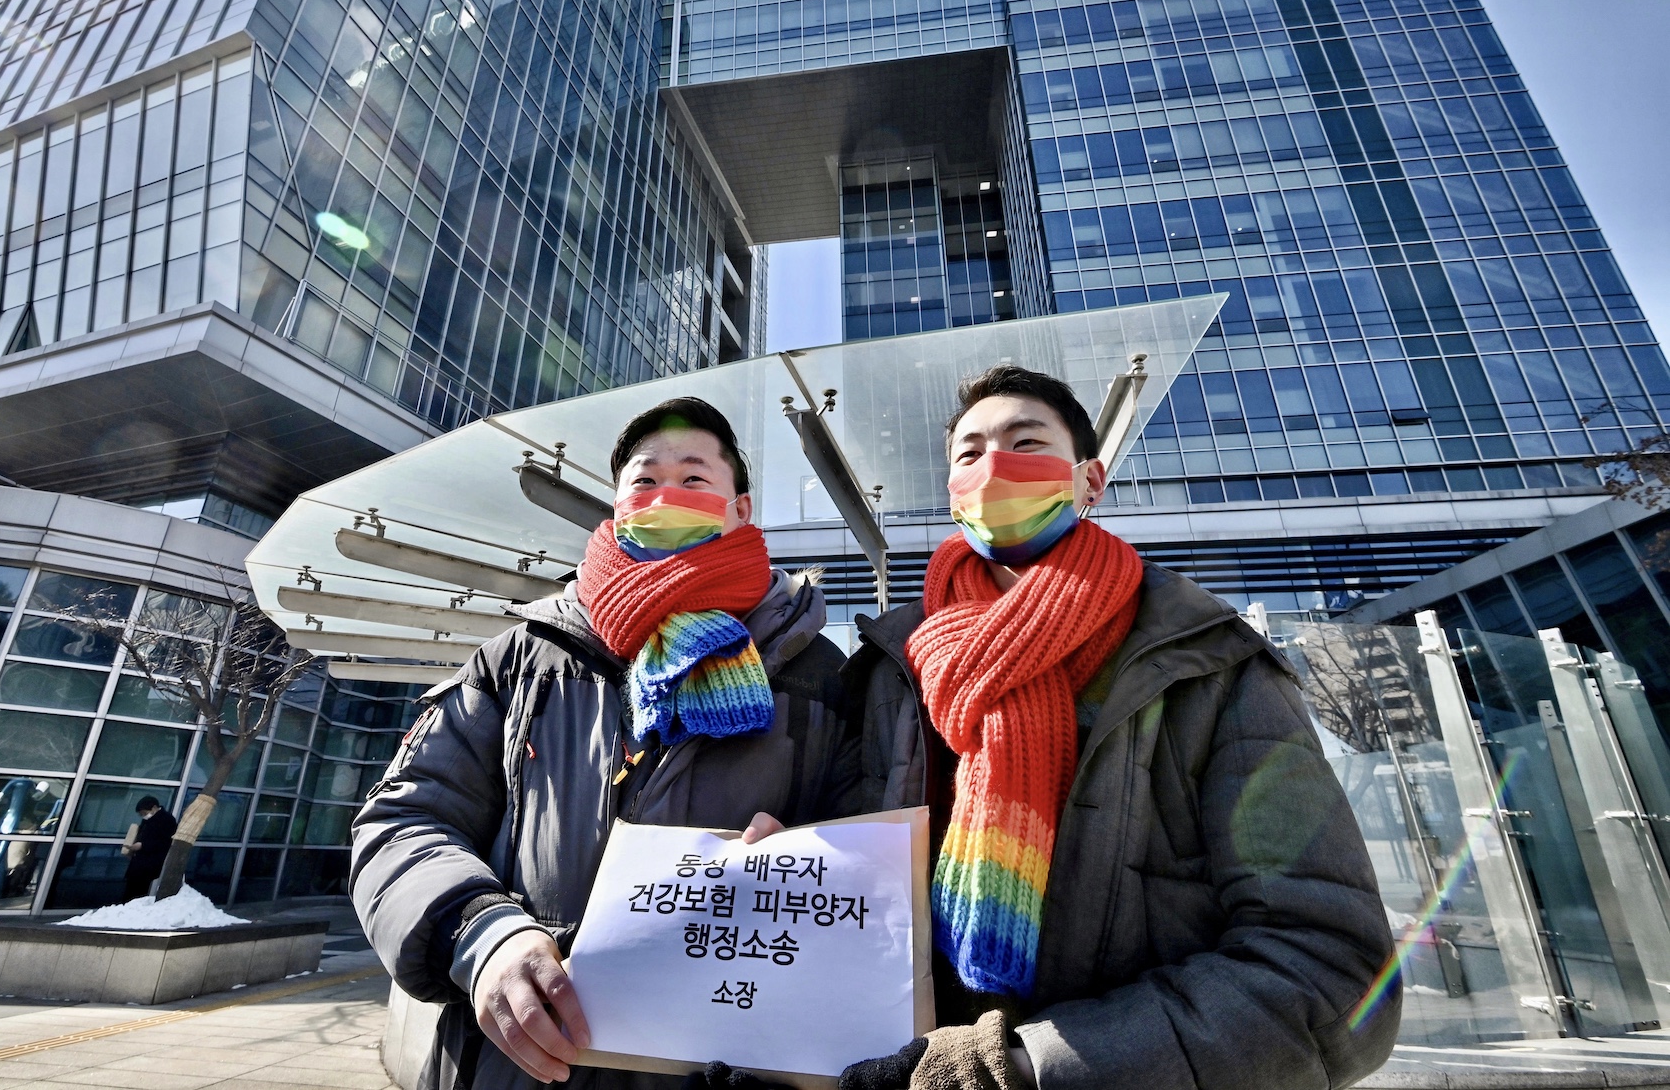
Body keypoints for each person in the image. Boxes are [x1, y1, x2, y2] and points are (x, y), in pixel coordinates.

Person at [837, 366, 1398, 1090]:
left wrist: (1027, 1070)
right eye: (970, 454)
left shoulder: (1207, 661)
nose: (994, 469)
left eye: (1026, 444)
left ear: (1089, 481)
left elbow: (1331, 970)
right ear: (952, 493)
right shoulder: (892, 665)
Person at [352, 397, 857, 1090]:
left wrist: (811, 859)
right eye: (644, 481)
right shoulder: (521, 656)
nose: (665, 496)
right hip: (516, 1061)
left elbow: (870, 855)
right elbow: (405, 819)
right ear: (616, 508)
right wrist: (481, 934)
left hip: (722, 1059)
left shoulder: (817, 671)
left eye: (694, 479)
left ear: (741, 509)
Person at [122, 795, 176, 902]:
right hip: (139, 862)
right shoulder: (148, 820)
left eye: (144, 813)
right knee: (130, 891)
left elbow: (165, 842)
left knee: (140, 894)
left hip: (150, 865)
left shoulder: (167, 820)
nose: (144, 816)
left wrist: (143, 845)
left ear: (154, 808)